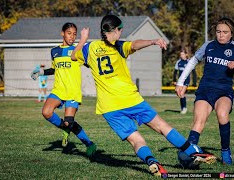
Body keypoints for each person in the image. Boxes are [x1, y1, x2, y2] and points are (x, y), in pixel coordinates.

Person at [71, 14, 216, 177]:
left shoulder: (90, 48)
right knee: (162, 126)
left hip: (109, 107)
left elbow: (73, 56)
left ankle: (152, 162)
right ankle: (193, 152)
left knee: (136, 140)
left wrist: (83, 39)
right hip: (130, 99)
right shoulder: (119, 46)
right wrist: (153, 41)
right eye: (120, 30)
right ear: (116, 30)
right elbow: (135, 44)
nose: (121, 33)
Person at [175, 17, 234, 165]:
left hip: (224, 92)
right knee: (198, 122)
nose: (221, 35)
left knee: (222, 114)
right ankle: (188, 155)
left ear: (231, 34)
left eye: (225, 32)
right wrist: (181, 82)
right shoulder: (208, 45)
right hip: (205, 90)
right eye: (218, 31)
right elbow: (193, 61)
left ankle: (225, 150)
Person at [30, 22, 96, 157]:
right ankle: (65, 128)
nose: (72, 37)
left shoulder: (78, 50)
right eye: (69, 33)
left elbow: (89, 63)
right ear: (62, 33)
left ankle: (89, 144)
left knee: (69, 121)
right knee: (46, 112)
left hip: (72, 91)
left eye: (75, 34)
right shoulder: (54, 51)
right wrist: (41, 72)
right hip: (59, 90)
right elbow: (54, 69)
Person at [172, 49, 197, 114]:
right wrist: (174, 80)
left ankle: (184, 108)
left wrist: (194, 82)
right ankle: (183, 108)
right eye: (180, 55)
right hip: (180, 82)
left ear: (186, 54)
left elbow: (194, 73)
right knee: (180, 94)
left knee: (182, 94)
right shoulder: (178, 62)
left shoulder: (189, 62)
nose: (181, 56)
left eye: (183, 54)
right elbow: (175, 72)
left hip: (186, 81)